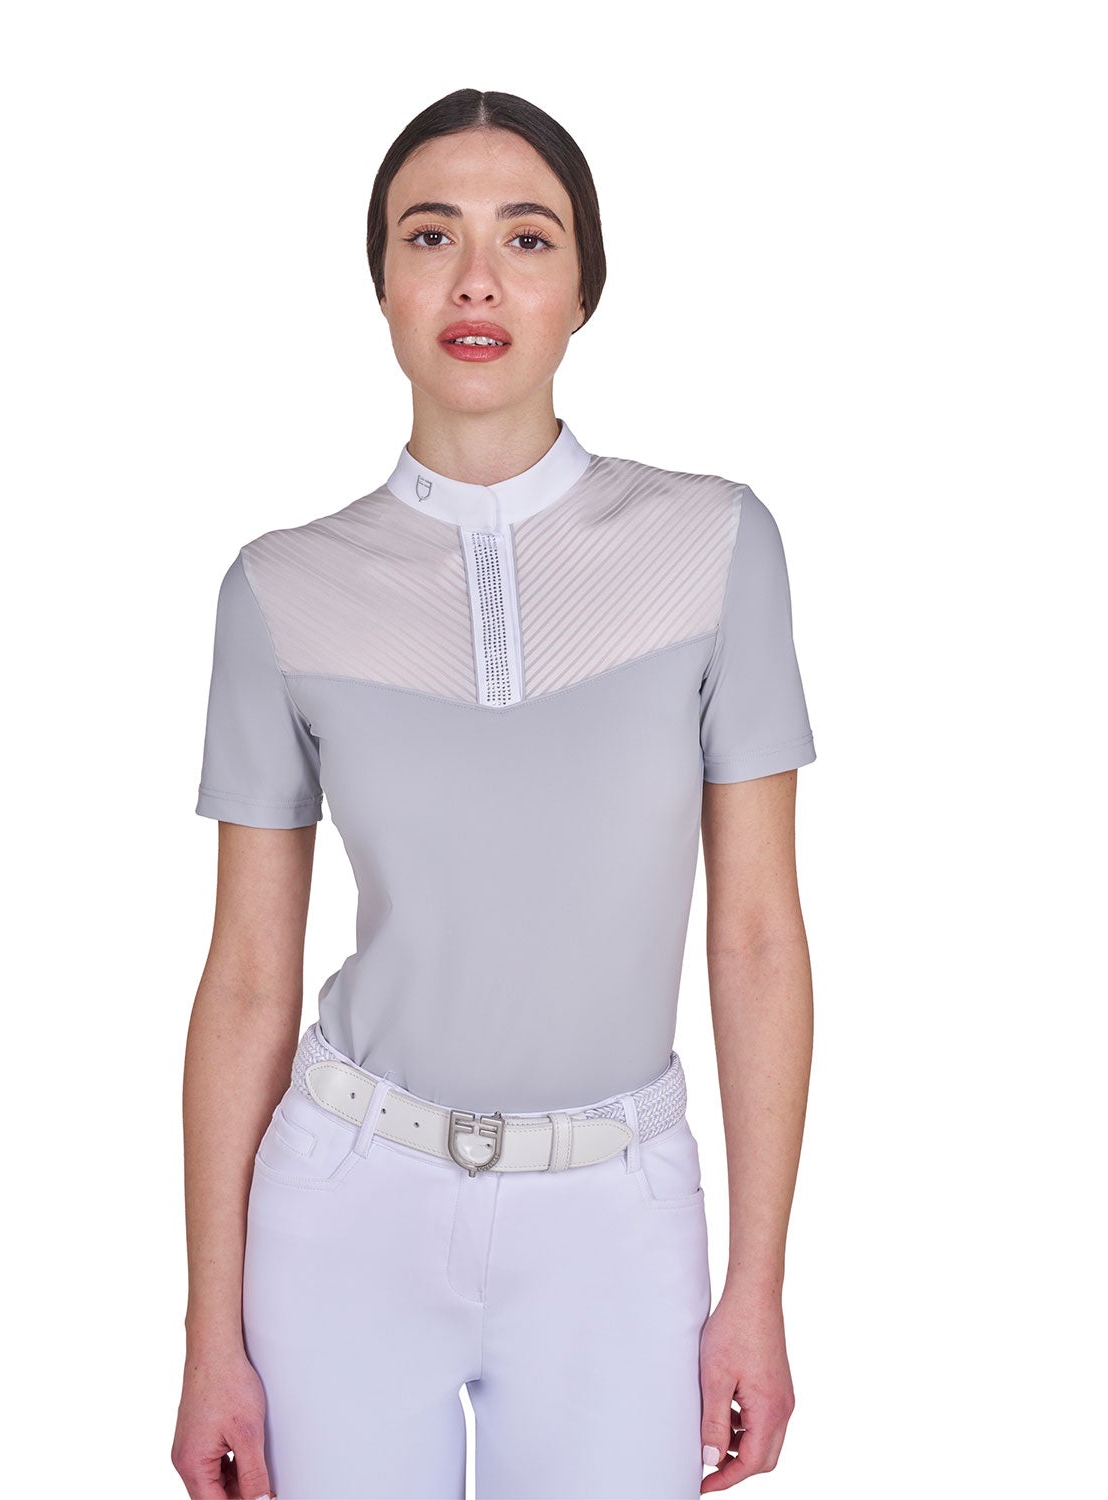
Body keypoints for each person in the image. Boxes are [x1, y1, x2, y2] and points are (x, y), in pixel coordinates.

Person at [172, 88, 816, 1500]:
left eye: (526, 238)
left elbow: (759, 937)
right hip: (347, 1208)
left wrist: (757, 1287)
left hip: (619, 1216)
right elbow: (247, 978)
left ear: (583, 286)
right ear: (382, 286)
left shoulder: (715, 547)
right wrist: (210, 1334)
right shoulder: (281, 589)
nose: (477, 279)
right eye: (430, 236)